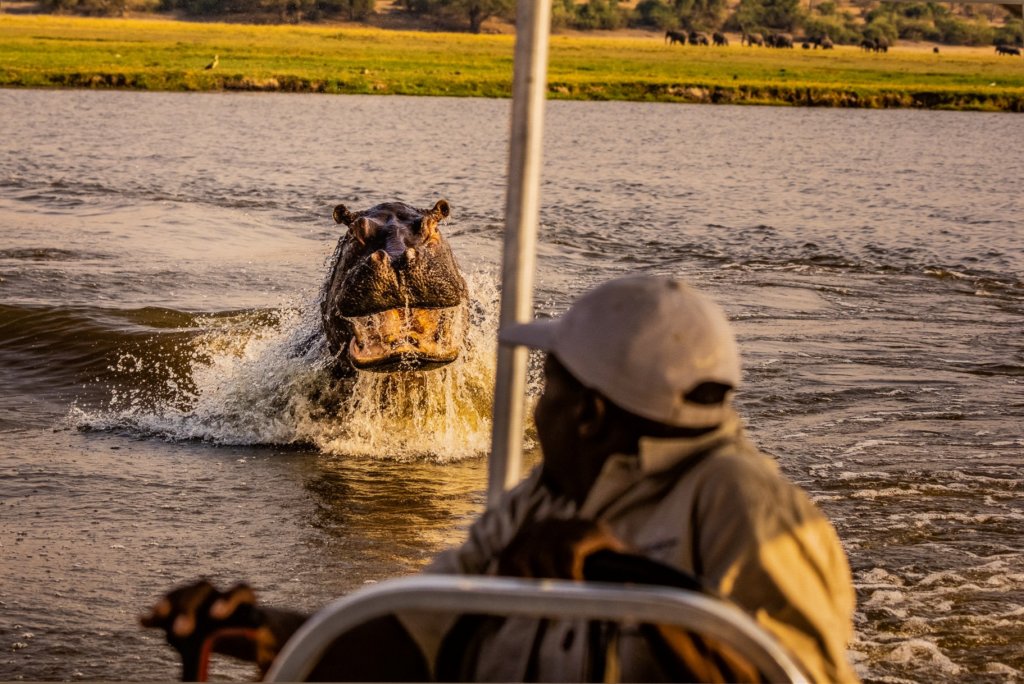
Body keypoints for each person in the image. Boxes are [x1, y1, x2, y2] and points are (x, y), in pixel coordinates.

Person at [142, 275, 858, 683]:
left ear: (590, 413)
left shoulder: (747, 509)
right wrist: (263, 633)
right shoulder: (545, 499)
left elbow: (787, 674)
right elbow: (415, 636)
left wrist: (619, 577)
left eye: (549, 390)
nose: (534, 409)